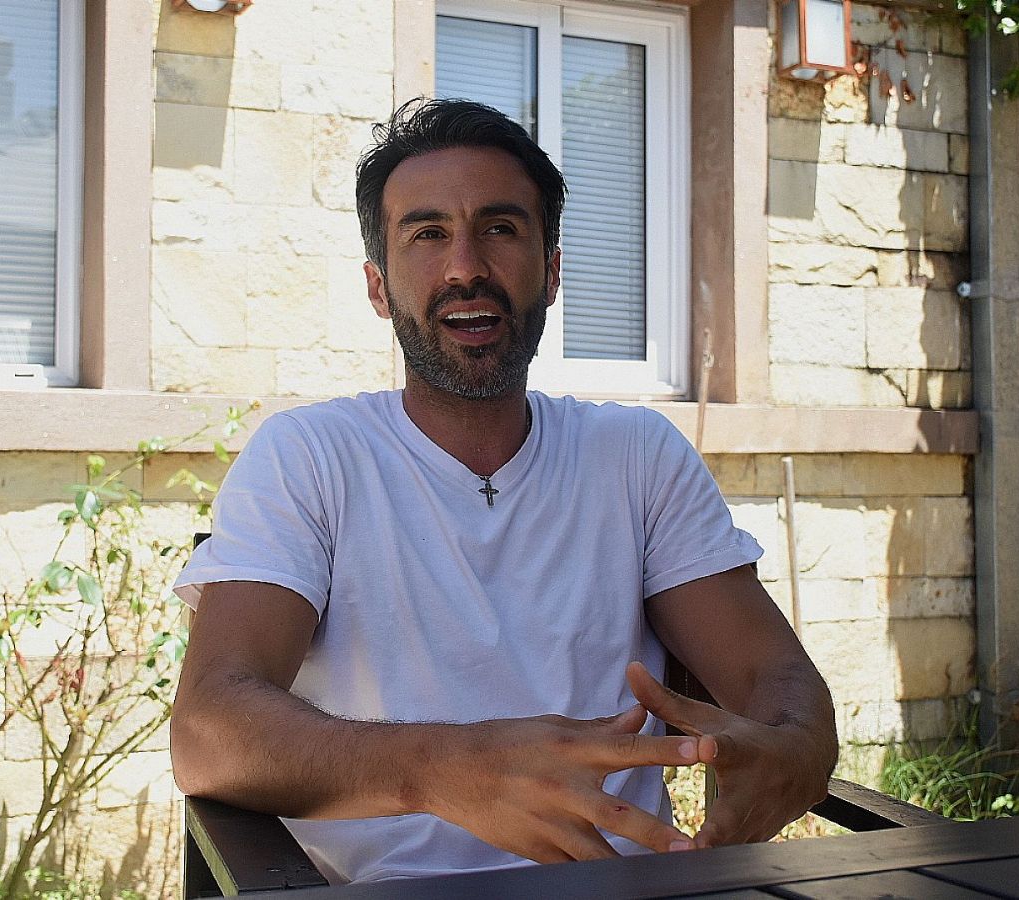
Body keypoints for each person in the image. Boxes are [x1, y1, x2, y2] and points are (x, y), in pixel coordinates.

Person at [169, 98, 837, 885]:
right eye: (427, 234)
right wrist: (449, 768)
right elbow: (208, 729)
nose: (465, 267)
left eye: (500, 228)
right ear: (379, 287)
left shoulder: (637, 457)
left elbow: (778, 684)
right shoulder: (309, 458)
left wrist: (793, 749)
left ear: (551, 271)